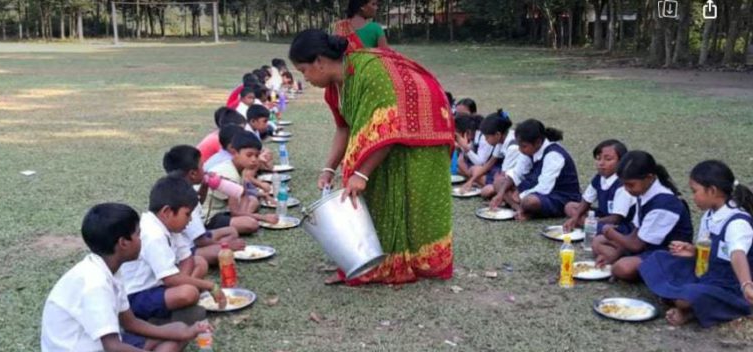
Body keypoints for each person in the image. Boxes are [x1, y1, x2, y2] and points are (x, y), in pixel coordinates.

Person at [290, 29, 454, 285]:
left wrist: (361, 173)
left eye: (304, 70)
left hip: (424, 130)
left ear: (319, 62)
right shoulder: (334, 89)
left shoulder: (370, 74)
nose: (305, 78)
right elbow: (344, 128)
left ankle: (414, 262)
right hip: (392, 133)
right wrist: (328, 169)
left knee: (413, 200)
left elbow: (390, 127)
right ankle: (375, 260)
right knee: (377, 191)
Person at [41, 203, 209, 352]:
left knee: (180, 330)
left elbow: (131, 323)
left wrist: (184, 333)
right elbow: (114, 349)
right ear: (123, 242)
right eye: (138, 234)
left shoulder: (112, 269)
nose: (142, 240)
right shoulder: (95, 284)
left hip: (107, 345)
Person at [639, 160, 753, 327]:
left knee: (689, 296)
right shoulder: (710, 214)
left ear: (712, 191)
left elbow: (737, 254)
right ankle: (681, 300)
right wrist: (693, 251)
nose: (693, 197)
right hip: (705, 274)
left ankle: (688, 309)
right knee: (657, 259)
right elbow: (709, 249)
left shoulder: (737, 222)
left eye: (695, 191)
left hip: (730, 287)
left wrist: (747, 285)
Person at [119, 177, 226, 321]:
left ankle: (174, 307)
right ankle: (154, 318)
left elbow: (187, 258)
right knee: (189, 293)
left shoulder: (169, 227)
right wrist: (209, 285)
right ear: (167, 212)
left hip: (160, 285)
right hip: (137, 295)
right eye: (187, 214)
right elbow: (170, 279)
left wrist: (182, 281)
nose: (190, 220)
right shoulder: (152, 234)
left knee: (199, 262)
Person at [592, 150, 693, 281]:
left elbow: (636, 245)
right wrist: (615, 254)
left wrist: (611, 233)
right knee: (597, 241)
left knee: (622, 268)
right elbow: (636, 232)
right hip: (647, 246)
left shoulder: (665, 203)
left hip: (668, 252)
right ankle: (630, 262)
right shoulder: (644, 191)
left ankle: (650, 270)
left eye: (630, 185)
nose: (627, 190)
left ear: (649, 178)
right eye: (624, 185)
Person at [162, 145, 245, 265]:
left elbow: (198, 202)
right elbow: (200, 241)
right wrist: (227, 245)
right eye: (202, 166)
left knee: (231, 231)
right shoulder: (183, 197)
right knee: (221, 252)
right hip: (189, 247)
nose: (205, 169)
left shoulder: (180, 187)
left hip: (197, 237)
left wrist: (205, 186)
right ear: (193, 174)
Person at [491, 119, 580, 220]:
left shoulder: (554, 155)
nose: (520, 150)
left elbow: (544, 188)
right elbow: (517, 173)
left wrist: (520, 195)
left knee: (529, 201)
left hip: (559, 196)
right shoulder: (528, 150)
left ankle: (524, 208)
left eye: (523, 146)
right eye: (519, 145)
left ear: (538, 142)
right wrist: (500, 194)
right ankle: (517, 208)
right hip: (534, 187)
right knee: (499, 182)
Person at [205, 132, 279, 233]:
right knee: (251, 224)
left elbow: (244, 195)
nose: (254, 160)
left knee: (253, 200)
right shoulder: (229, 174)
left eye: (257, 155)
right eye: (249, 155)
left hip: (224, 210)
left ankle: (244, 217)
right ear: (235, 153)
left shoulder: (238, 168)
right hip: (209, 217)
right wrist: (264, 218)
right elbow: (235, 212)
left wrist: (261, 194)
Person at [562, 139, 633, 232]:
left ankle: (588, 226)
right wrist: (575, 217)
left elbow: (616, 219)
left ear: (621, 162)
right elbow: (586, 200)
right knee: (570, 206)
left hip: (618, 222)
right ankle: (587, 225)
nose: (601, 163)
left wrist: (591, 221)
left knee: (607, 230)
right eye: (598, 158)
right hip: (602, 214)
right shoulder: (599, 178)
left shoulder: (622, 185)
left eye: (608, 159)